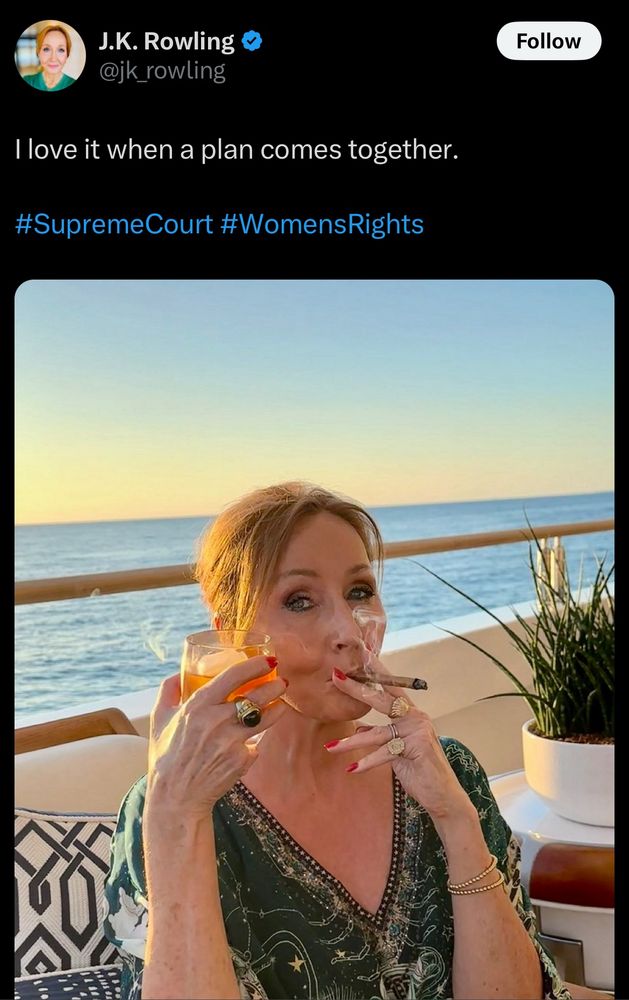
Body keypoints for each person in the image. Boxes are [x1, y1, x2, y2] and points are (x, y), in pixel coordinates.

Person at [104, 481, 575, 1000]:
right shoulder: (176, 808)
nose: (350, 631)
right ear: (232, 633)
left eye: (359, 592)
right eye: (300, 601)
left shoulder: (449, 772)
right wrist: (177, 814)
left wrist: (455, 818)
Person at [22, 24, 76, 91]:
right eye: (46, 49)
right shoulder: (27, 81)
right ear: (38, 53)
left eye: (61, 50)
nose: (53, 58)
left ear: (67, 55)